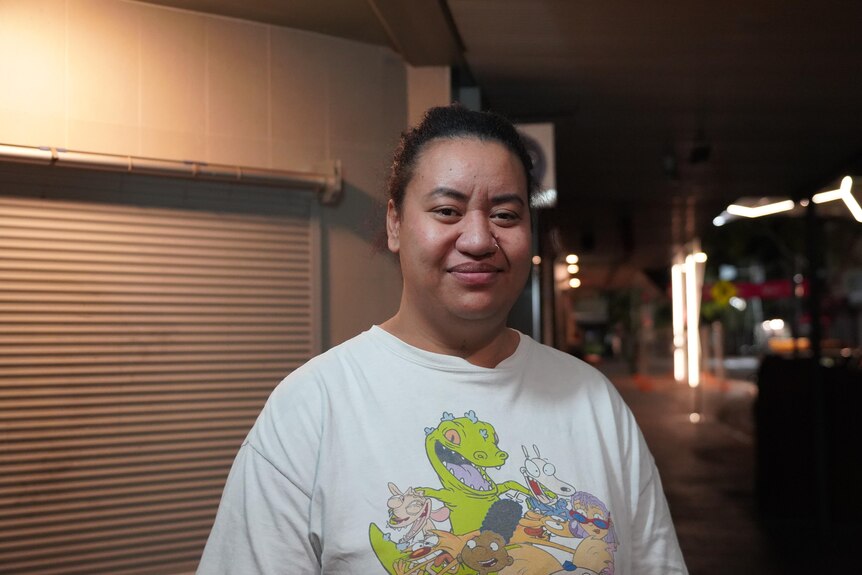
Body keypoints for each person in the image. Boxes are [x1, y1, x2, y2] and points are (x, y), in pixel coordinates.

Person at [197, 104, 688, 574]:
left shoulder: (593, 400)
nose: (478, 240)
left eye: (505, 215)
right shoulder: (314, 406)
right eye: (448, 211)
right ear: (395, 223)